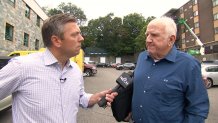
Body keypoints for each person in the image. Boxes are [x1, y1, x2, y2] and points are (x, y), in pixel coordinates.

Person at [0, 13, 117, 123]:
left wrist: (94, 98)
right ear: (56, 40)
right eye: (75, 34)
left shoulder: (75, 70)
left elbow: (80, 97)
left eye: (80, 33)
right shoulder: (22, 67)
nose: (81, 38)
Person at [131, 16, 209, 123]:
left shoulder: (188, 64)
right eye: (147, 34)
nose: (148, 39)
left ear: (171, 39)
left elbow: (198, 109)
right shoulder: (141, 57)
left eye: (154, 35)